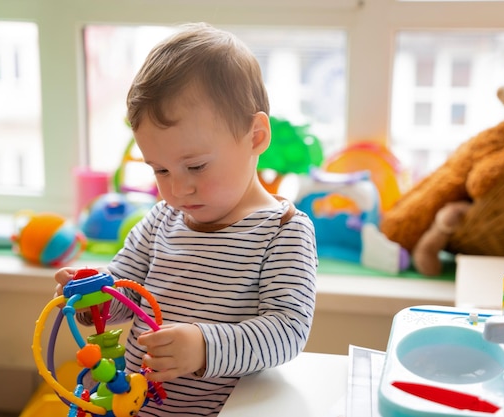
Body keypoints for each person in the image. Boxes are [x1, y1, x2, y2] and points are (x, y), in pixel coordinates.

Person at [54, 22, 317, 416]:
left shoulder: (283, 231)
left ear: (256, 137)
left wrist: (204, 346)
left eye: (195, 166)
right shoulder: (161, 220)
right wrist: (93, 296)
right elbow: (122, 295)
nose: (177, 190)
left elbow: (287, 331)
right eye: (160, 170)